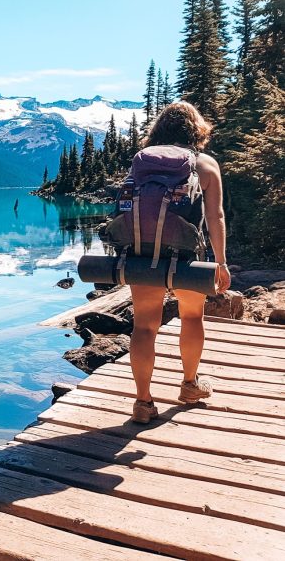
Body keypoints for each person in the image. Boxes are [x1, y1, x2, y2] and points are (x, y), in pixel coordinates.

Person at [129, 102, 231, 424]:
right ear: (196, 129)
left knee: (144, 327)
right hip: (188, 256)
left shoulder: (142, 163)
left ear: (159, 130)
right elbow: (215, 216)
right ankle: (189, 385)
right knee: (191, 318)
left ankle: (143, 403)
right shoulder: (206, 164)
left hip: (143, 254)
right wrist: (221, 262)